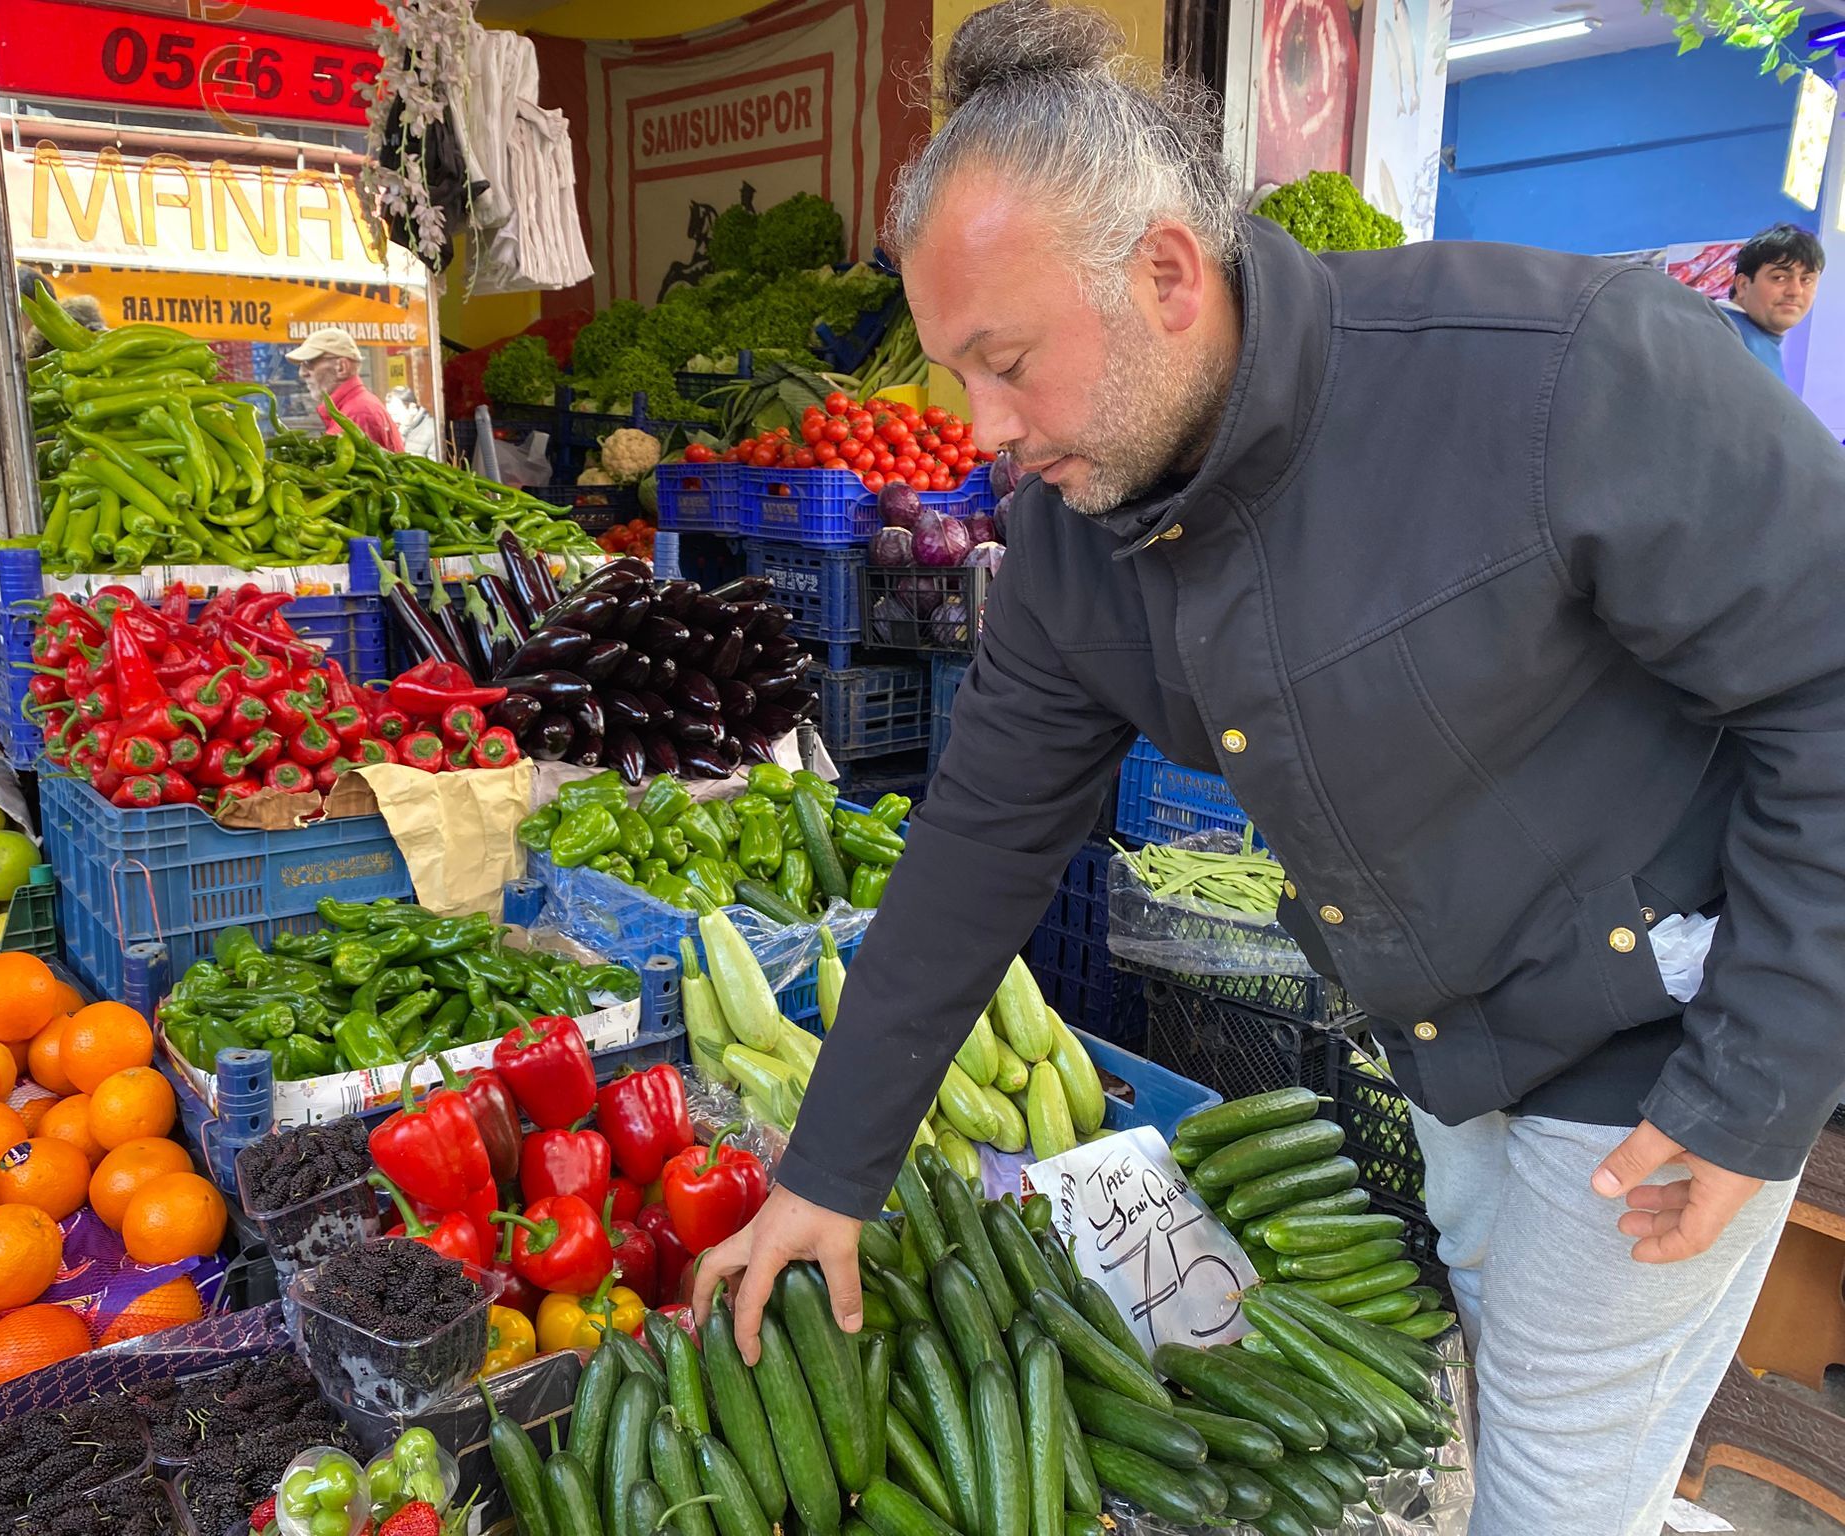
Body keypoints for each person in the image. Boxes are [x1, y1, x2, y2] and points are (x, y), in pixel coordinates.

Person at [693, 5, 1845, 1534]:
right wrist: (828, 1172)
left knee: (1558, 1495)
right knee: (1511, 1418)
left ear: (1169, 274)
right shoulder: (1069, 550)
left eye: (1009, 361)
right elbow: (977, 845)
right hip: (1444, 1050)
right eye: (955, 372)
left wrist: (1753, 1091)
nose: (980, 429)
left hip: (1659, 1040)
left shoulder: (1560, 372)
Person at [1720, 222, 1824, 381]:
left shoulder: (1759, 343)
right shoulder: (1722, 337)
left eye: (1806, 280)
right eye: (1779, 277)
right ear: (1743, 285)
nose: (1795, 291)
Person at [285, 328, 403, 452]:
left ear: (341, 367)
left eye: (309, 363)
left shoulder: (357, 412)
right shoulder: (353, 407)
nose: (302, 373)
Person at [385, 386, 440, 460]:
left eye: (395, 414)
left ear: (412, 408)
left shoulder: (433, 430)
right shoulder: (394, 429)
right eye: (390, 415)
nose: (393, 419)